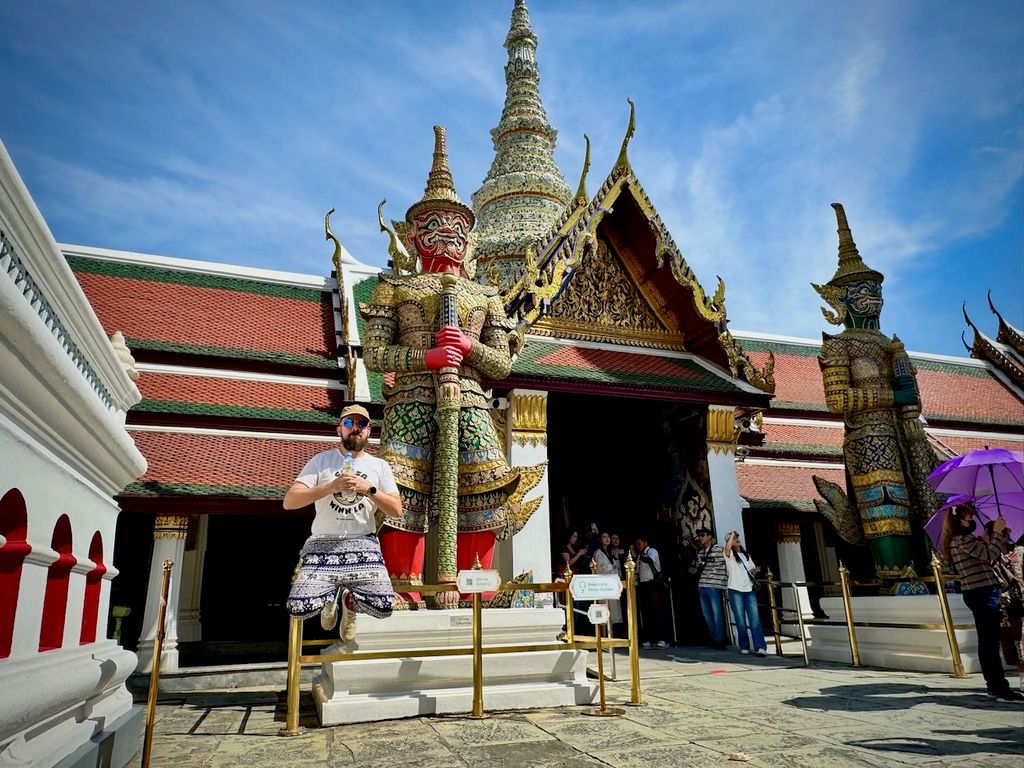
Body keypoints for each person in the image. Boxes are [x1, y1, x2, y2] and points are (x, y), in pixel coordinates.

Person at [362, 126, 537, 601]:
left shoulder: (487, 295)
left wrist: (467, 349)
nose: (449, 235)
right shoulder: (393, 290)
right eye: (436, 224)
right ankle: (405, 588)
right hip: (412, 403)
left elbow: (500, 364)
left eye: (458, 226)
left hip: (473, 404)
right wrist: (428, 356)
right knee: (403, 494)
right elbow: (376, 356)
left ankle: (473, 586)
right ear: (414, 233)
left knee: (482, 491)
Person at [813, 203, 941, 578]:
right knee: (886, 503)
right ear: (841, 299)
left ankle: (931, 568)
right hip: (869, 438)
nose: (872, 296)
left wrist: (906, 397)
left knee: (925, 501)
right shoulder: (839, 346)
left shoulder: (889, 345)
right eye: (862, 289)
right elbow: (837, 400)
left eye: (875, 288)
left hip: (906, 436)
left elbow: (912, 397)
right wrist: (891, 398)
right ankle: (894, 574)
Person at [283, 405, 403, 641]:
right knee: (298, 607)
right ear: (340, 428)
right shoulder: (321, 461)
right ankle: (329, 597)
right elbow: (290, 501)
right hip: (323, 543)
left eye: (361, 424)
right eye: (349, 423)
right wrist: (331, 486)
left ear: (369, 431)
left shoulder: (379, 466)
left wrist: (367, 489)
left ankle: (349, 603)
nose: (355, 429)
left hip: (362, 542)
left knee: (385, 605)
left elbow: (396, 509)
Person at [940, 503, 1023, 701]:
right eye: (967, 518)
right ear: (958, 520)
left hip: (980, 592)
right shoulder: (961, 540)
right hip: (982, 593)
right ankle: (998, 687)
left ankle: (995, 685)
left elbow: (986, 555)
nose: (971, 521)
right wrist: (996, 533)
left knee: (988, 640)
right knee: (989, 642)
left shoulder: (962, 540)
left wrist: (994, 537)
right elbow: (989, 555)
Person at [723, 530, 767, 657]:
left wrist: (755, 571)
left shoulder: (745, 555)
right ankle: (744, 645)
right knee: (740, 620)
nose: (737, 539)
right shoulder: (729, 554)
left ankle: (760, 646)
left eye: (737, 537)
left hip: (748, 589)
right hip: (735, 589)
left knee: (755, 620)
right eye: (734, 538)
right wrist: (731, 535)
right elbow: (727, 548)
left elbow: (751, 571)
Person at [694, 528, 728, 650]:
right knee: (707, 614)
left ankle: (720, 639)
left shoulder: (719, 549)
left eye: (702, 535)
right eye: (699, 535)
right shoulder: (700, 552)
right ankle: (714, 638)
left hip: (714, 585)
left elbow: (727, 561)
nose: (700, 537)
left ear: (710, 536)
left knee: (717, 613)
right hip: (702, 585)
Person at [634, 536, 669, 649]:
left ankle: (662, 638)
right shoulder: (639, 556)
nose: (638, 546)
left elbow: (650, 560)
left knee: (657, 611)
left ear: (645, 542)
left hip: (653, 584)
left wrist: (637, 556)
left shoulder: (651, 551)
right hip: (643, 584)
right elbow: (637, 571)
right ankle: (650, 638)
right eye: (636, 544)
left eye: (639, 543)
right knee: (646, 613)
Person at [592, 532, 623, 627]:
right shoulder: (598, 552)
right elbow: (598, 569)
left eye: (608, 536)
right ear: (600, 540)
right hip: (603, 585)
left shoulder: (610, 552)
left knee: (614, 611)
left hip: (612, 584)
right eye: (604, 537)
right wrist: (611, 566)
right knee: (605, 610)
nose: (607, 538)